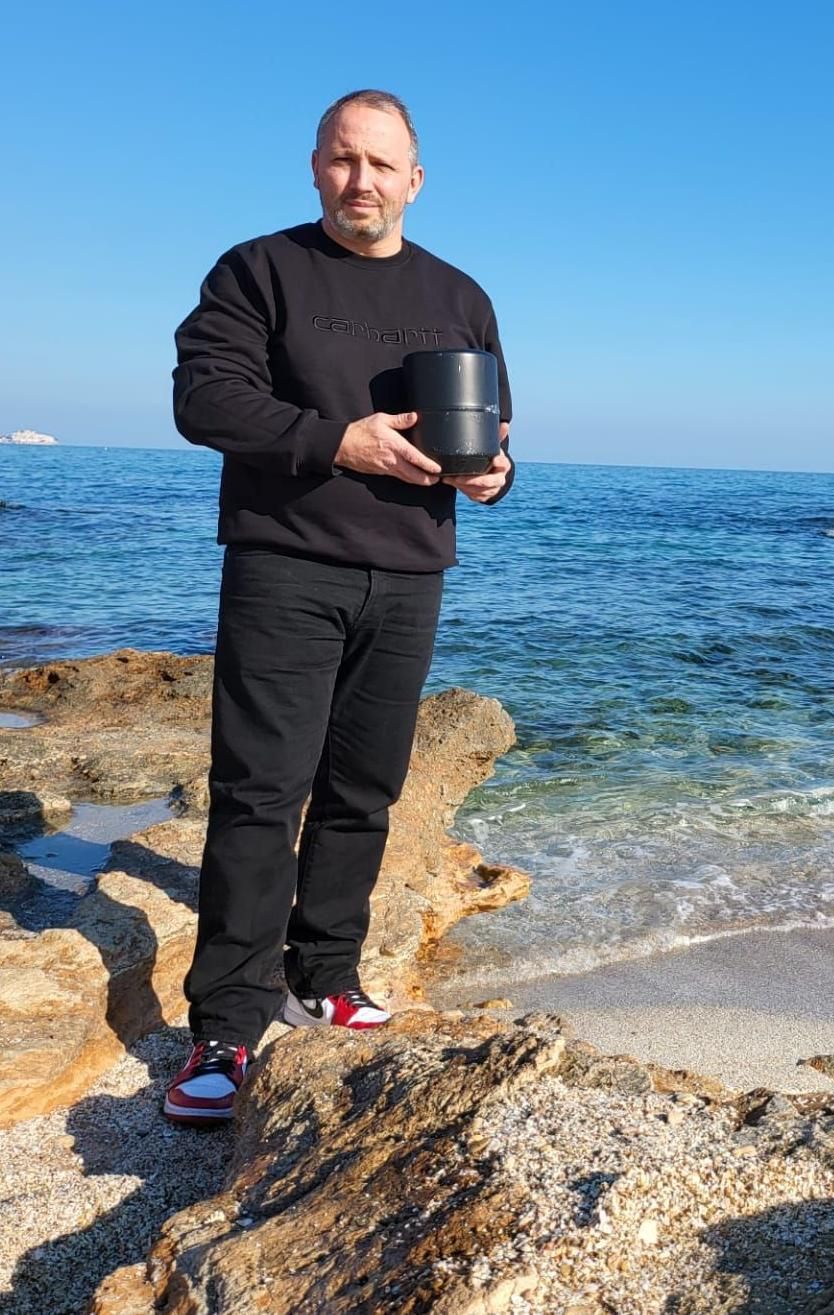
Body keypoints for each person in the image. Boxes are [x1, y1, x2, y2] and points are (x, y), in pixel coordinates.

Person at [163, 89, 514, 1123]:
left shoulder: (462, 295)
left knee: (365, 788)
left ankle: (326, 977)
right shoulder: (257, 271)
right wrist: (337, 439)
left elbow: (496, 426)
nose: (361, 181)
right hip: (285, 561)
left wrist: (497, 473)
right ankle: (222, 1026)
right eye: (342, 160)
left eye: (381, 164)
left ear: (416, 178)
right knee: (260, 791)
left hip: (411, 572)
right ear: (317, 166)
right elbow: (204, 400)